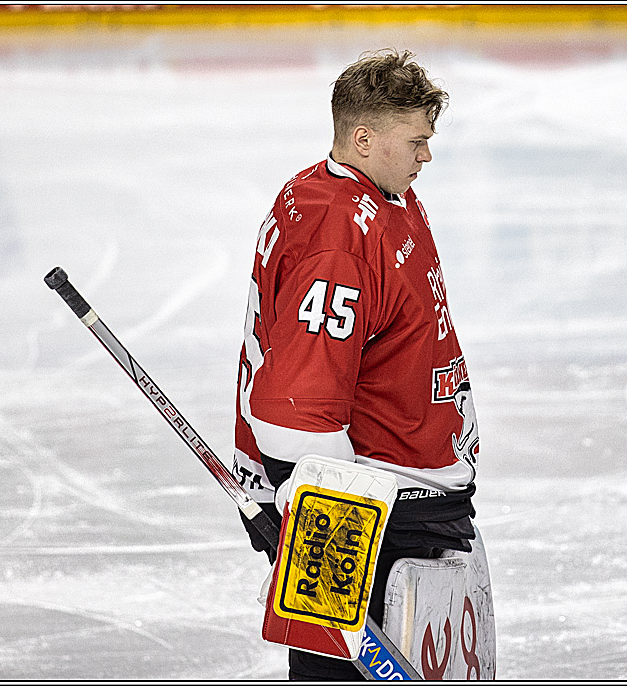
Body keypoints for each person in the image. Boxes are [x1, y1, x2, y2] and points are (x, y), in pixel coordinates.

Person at [232, 48, 480, 681]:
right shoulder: (338, 232)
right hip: (371, 507)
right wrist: (321, 531)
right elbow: (297, 405)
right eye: (416, 140)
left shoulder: (372, 195)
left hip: (398, 495)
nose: (427, 155)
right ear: (364, 138)